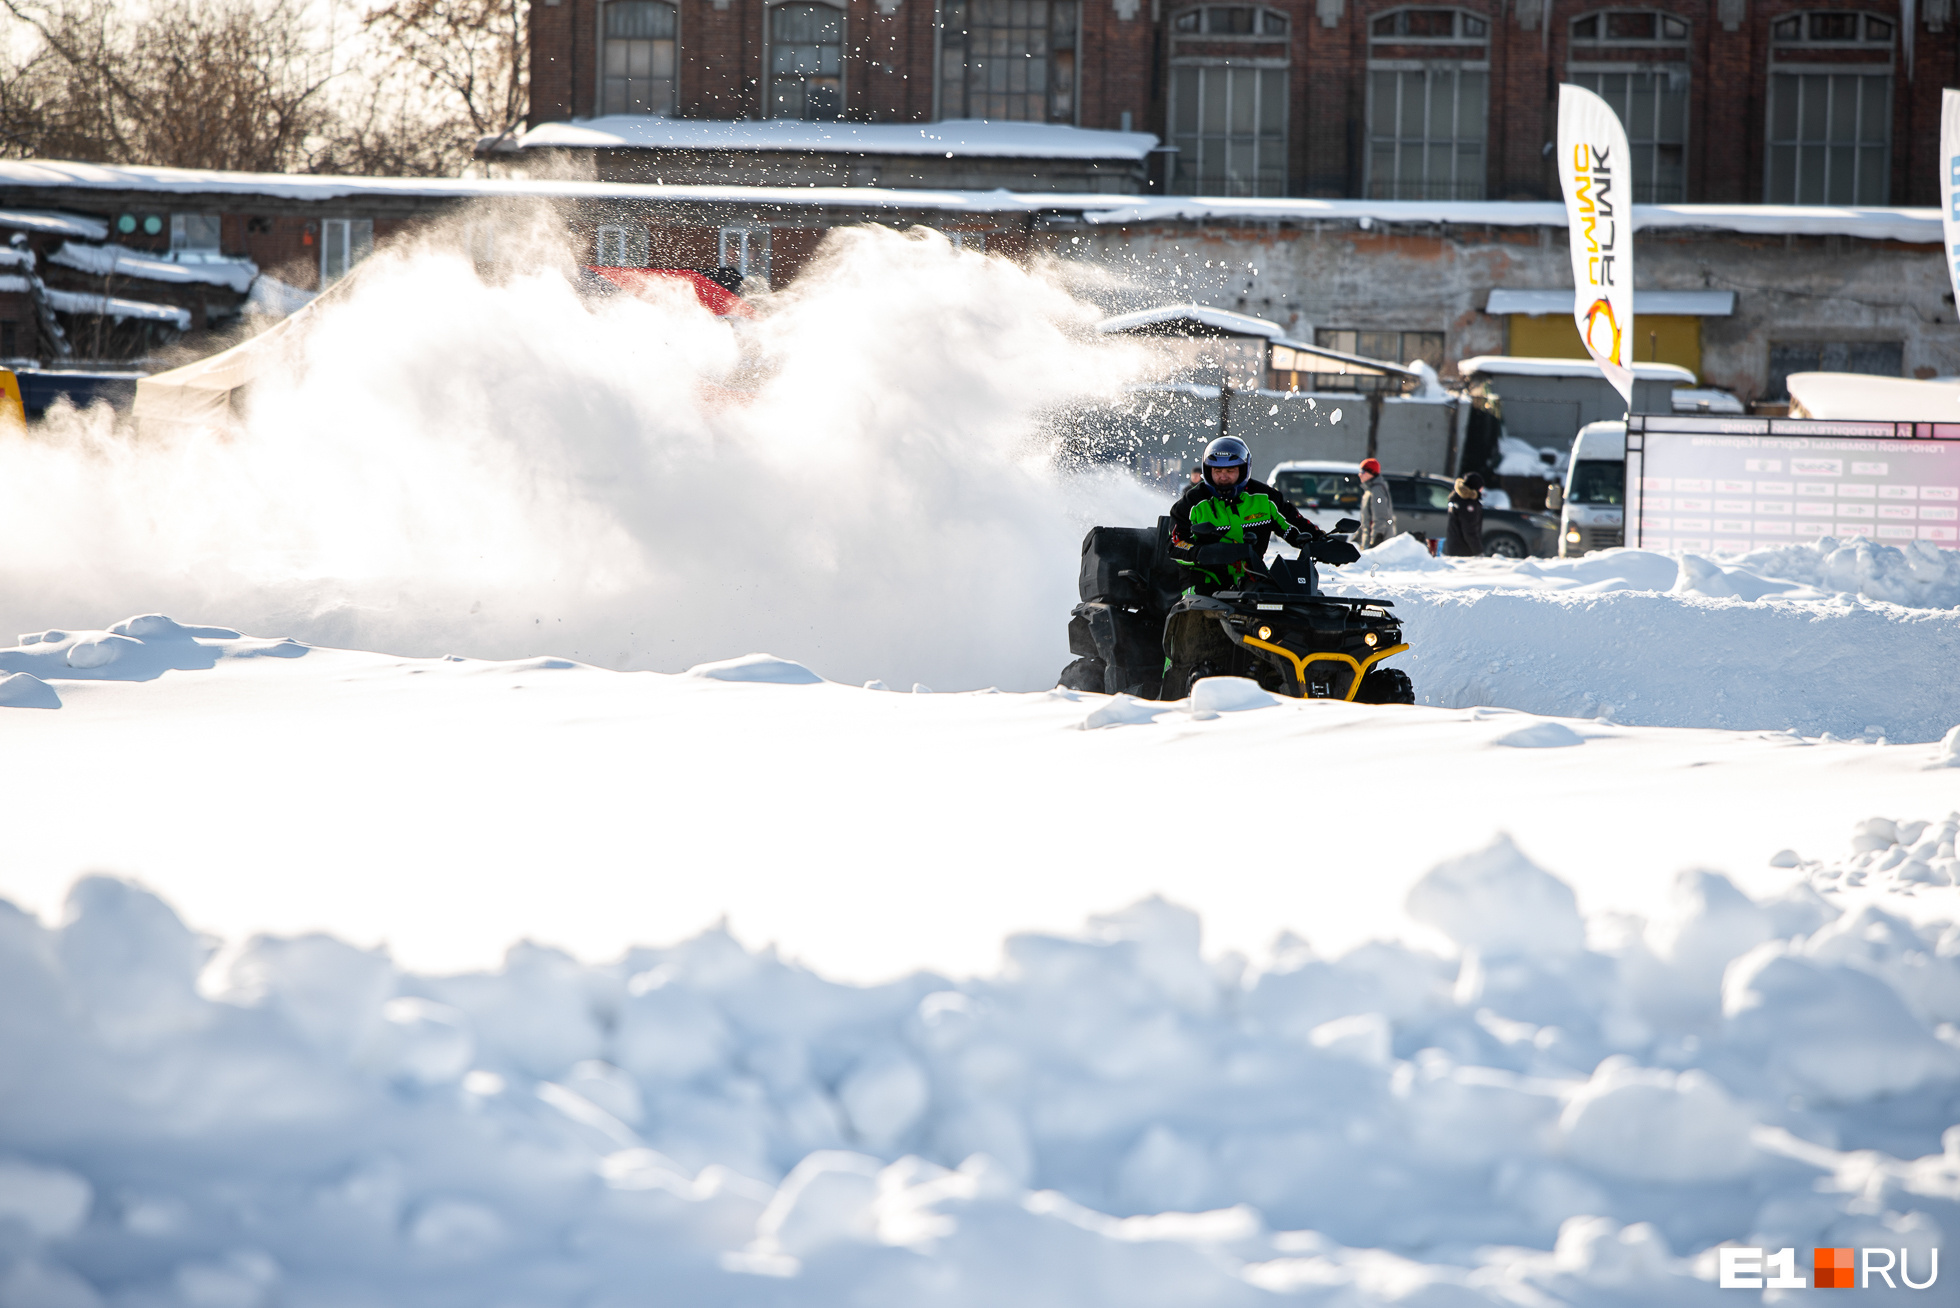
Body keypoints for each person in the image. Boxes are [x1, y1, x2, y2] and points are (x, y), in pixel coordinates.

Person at [1169, 435, 1340, 591]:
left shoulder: (1265, 498)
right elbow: (1175, 543)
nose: (1223, 477)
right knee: (1201, 610)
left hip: (1250, 573)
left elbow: (1294, 525)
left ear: (1243, 470)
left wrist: (1323, 543)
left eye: (1230, 471)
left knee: (1283, 603)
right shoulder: (1192, 503)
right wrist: (1202, 553)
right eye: (1217, 471)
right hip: (1203, 576)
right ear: (1208, 471)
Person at [1356, 457, 1396, 549]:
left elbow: (1380, 516)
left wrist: (1376, 539)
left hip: (1377, 543)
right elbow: (1365, 521)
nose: (1359, 475)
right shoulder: (1369, 490)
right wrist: (1356, 538)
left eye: (1362, 472)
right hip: (1368, 541)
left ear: (1371, 473)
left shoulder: (1377, 490)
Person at [1445, 471, 1485, 557]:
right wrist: (1478, 552)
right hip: (1464, 551)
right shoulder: (1467, 504)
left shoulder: (1457, 498)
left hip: (1454, 547)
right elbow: (1469, 531)